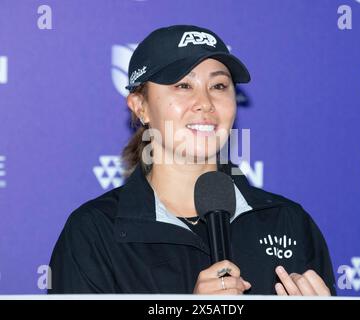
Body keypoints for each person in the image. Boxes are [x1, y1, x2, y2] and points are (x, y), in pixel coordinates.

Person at [48, 24, 336, 295]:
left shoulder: (288, 222)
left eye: (219, 86)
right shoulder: (94, 232)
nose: (205, 103)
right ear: (140, 107)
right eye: (183, 86)